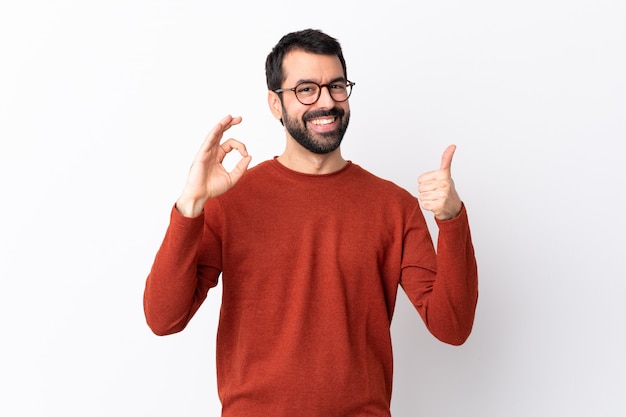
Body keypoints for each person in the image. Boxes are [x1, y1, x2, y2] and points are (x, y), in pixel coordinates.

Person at [144, 28, 478, 417]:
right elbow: (163, 318)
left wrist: (451, 219)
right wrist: (191, 204)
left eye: (336, 86)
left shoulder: (394, 207)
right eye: (306, 89)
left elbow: (452, 327)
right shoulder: (229, 202)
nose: (326, 102)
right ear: (275, 103)